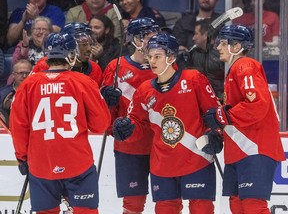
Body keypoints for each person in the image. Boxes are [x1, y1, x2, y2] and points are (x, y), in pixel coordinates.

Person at [112, 33, 222, 214]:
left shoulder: (193, 79)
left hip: (197, 159)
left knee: (201, 209)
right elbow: (138, 123)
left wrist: (216, 134)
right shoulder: (145, 90)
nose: (152, 61)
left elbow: (213, 113)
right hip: (162, 164)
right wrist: (127, 128)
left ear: (171, 57)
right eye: (150, 56)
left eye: (157, 56)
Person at [10, 32, 111, 213]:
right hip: (77, 162)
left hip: (42, 164)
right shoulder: (84, 82)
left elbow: (18, 126)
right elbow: (101, 125)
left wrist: (22, 157)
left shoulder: (27, 85)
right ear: (71, 55)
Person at [204, 24, 285, 213]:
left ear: (236, 46)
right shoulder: (233, 72)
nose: (218, 47)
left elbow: (257, 104)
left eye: (223, 43)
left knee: (252, 207)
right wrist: (218, 131)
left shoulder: (245, 65)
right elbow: (235, 114)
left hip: (254, 149)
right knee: (237, 205)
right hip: (240, 150)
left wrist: (222, 116)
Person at [101, 17, 159, 214]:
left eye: (155, 36)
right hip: (130, 146)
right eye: (148, 37)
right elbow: (106, 118)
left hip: (161, 145)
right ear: (135, 39)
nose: (153, 41)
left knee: (168, 201)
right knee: (133, 204)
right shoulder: (116, 67)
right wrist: (107, 104)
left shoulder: (167, 67)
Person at [33, 22, 103, 87]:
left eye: (90, 44)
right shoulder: (44, 65)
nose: (89, 49)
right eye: (84, 45)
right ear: (69, 46)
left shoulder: (95, 69)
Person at [177, 19, 224, 100]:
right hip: (197, 97)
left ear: (206, 35)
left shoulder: (222, 54)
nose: (193, 38)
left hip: (218, 98)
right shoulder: (191, 54)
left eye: (196, 34)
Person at [0, 59, 32, 127]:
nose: (24, 76)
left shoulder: (39, 92)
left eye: (27, 73)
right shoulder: (4, 94)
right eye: (20, 73)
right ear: (13, 75)